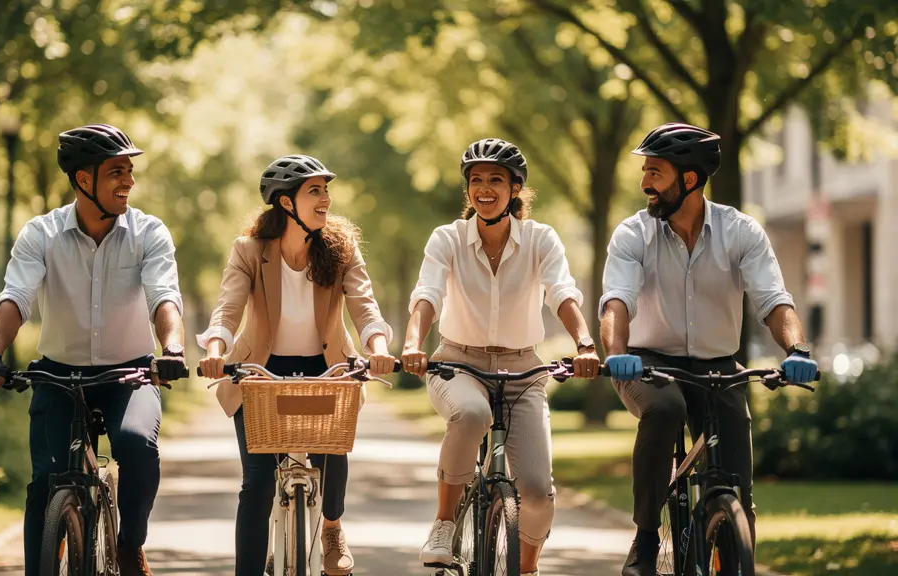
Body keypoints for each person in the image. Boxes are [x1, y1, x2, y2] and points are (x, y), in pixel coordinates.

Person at [598, 123, 820, 576]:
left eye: (655, 173)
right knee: (664, 410)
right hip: (647, 362)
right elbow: (616, 301)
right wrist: (617, 352)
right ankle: (644, 537)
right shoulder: (632, 233)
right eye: (645, 172)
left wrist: (797, 350)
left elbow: (774, 300)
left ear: (690, 179)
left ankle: (734, 552)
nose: (646, 184)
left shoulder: (741, 231)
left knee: (737, 489)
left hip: (720, 365)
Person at [0, 124, 189, 576]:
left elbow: (163, 294)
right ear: (83, 180)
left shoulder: (148, 232)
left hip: (128, 374)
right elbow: (16, 297)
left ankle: (130, 544)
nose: (128, 180)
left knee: (134, 445)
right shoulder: (41, 233)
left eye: (129, 171)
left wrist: (172, 348)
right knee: (44, 483)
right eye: (115, 172)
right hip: (58, 374)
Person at [401, 138, 601, 576]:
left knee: (536, 491)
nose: (485, 189)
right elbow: (427, 294)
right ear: (467, 190)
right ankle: (444, 521)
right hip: (458, 363)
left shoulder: (539, 239)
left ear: (515, 189)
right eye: (476, 180)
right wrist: (413, 343)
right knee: (471, 414)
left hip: (523, 370)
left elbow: (561, 292)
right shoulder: (448, 238)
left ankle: (526, 568)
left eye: (496, 180)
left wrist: (585, 343)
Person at [196, 154, 396, 576]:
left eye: (326, 190)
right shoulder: (249, 251)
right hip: (260, 371)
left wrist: (377, 346)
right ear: (286, 203)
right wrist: (215, 350)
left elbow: (365, 306)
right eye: (315, 191)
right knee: (256, 485)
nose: (326, 199)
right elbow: (227, 309)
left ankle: (331, 529)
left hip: (325, 369)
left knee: (333, 453)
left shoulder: (340, 249)